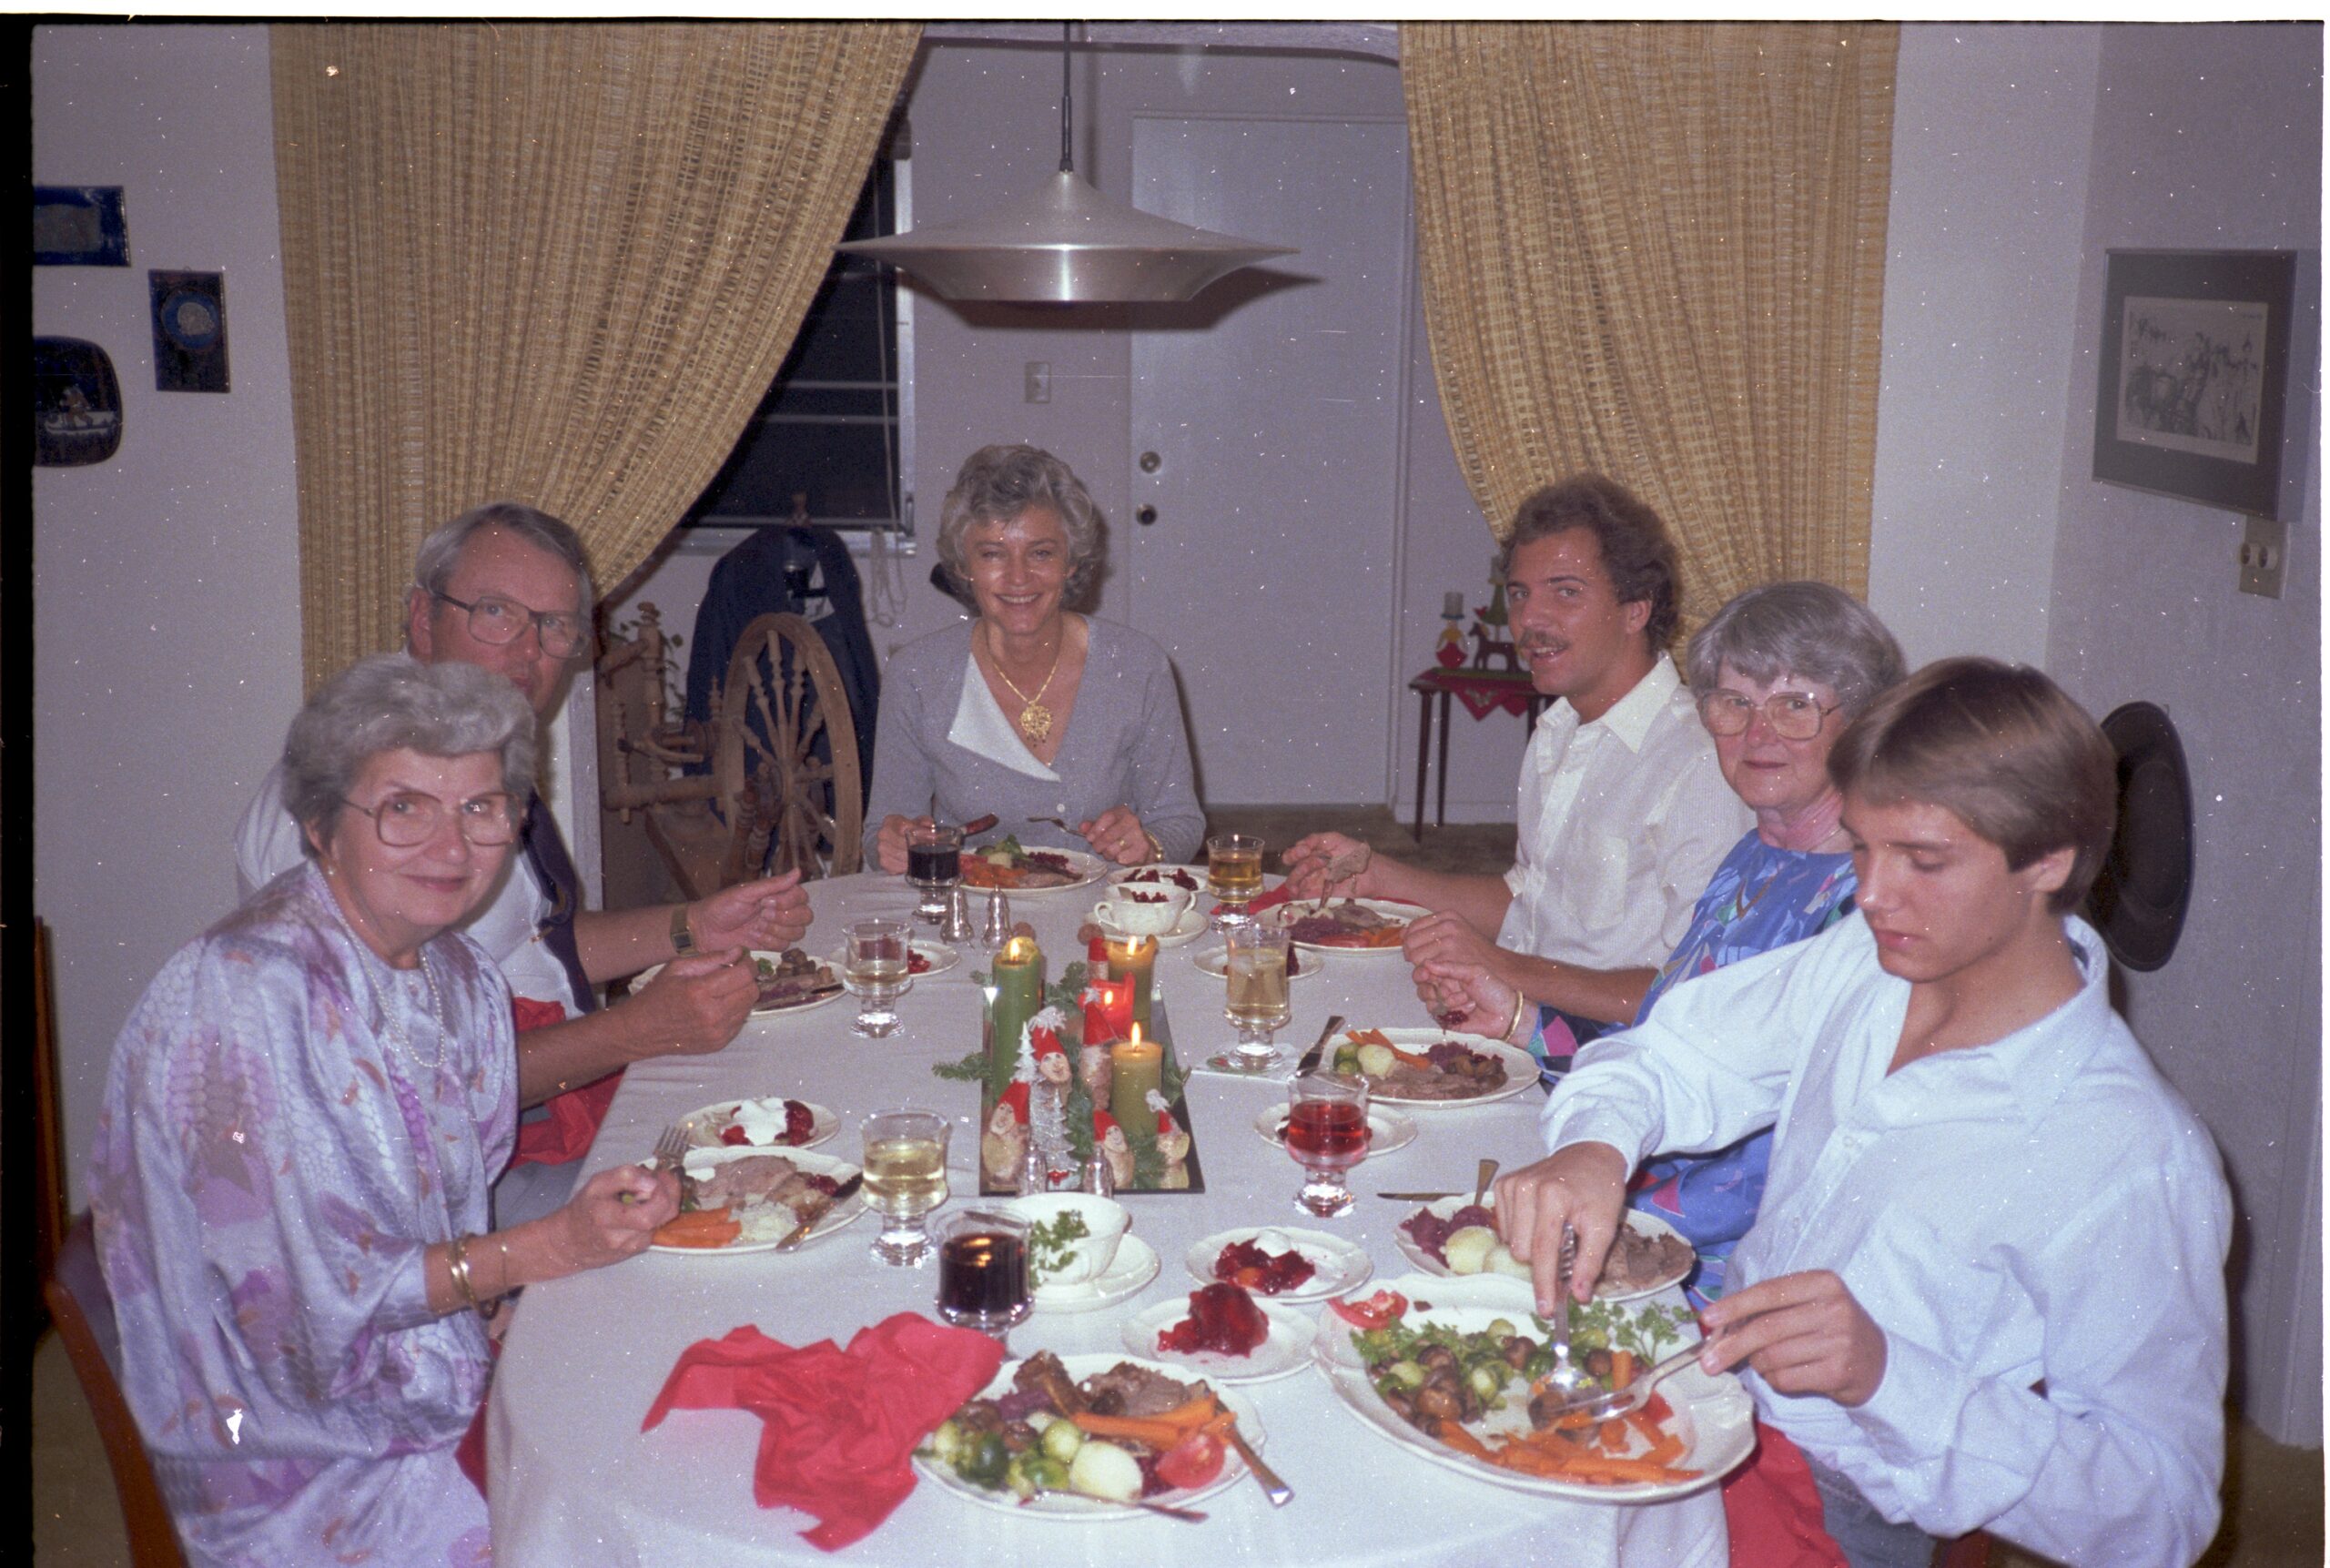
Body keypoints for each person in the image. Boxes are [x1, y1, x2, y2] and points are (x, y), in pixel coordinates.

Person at [1493, 659, 2231, 1566]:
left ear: (2049, 860)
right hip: (1712, 1403)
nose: (1873, 893)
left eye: (1923, 860)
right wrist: (1595, 1148)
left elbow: (2162, 1513)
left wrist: (1886, 1375)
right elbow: (1674, 1051)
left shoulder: (2127, 1150)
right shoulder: (1867, 961)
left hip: (1849, 1501)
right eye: (1861, 848)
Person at [94, 655, 684, 1568]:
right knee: (643, 1519)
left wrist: (493, 1303)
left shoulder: (456, 973)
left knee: (686, 1393)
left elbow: (435, 1217)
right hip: (307, 1462)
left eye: (480, 807)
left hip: (427, 1376)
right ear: (320, 823)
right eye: (404, 806)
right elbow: (296, 1327)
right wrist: (546, 1249)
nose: (450, 848)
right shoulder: (247, 994)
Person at [237, 501, 811, 1224]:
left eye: (554, 626)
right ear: (422, 618)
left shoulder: (474, 754)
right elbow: (401, 1087)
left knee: (798, 1114)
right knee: (752, 1215)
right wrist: (637, 1029)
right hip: (440, 1193)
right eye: (495, 613)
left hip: (553, 1115)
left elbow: (538, 942)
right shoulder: (354, 805)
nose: (527, 651)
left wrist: (694, 926)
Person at [1418, 581, 1905, 1301]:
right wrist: (1522, 1021)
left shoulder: (1870, 908)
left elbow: (1772, 1160)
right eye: (1734, 702)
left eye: (1796, 705)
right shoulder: (1755, 858)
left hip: (1717, 1279)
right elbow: (1672, 1051)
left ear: (1862, 720)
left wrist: (1600, 1207)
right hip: (1625, 1205)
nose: (1758, 734)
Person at [1285, 474, 1748, 1067]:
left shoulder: (1699, 762)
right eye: (1521, 594)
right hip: (1520, 1028)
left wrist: (1500, 966)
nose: (1531, 619)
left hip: (1615, 1064)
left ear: (1636, 608)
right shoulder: (1558, 731)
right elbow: (1528, 898)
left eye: (1566, 592)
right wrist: (1381, 875)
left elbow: (1696, 990)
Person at [864, 445, 1202, 871]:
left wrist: (1149, 845)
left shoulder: (1138, 666)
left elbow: (1180, 822)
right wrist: (893, 844)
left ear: (1071, 562)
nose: (1019, 577)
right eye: (992, 554)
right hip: (972, 903)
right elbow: (879, 835)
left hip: (1107, 906)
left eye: (1041, 552)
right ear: (964, 566)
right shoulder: (916, 675)